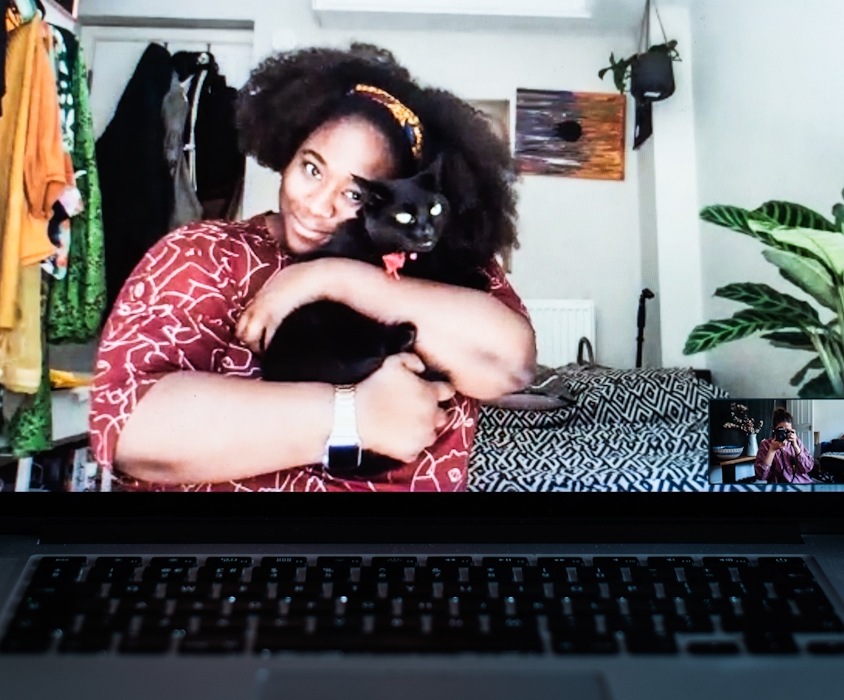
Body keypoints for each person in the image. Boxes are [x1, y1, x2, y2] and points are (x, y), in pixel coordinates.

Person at [89, 44, 535, 491]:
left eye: (355, 195)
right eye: (312, 168)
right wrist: (349, 415)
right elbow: (126, 429)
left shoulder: (442, 266)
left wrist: (329, 278)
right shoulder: (207, 253)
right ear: (289, 152)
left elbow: (509, 366)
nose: (318, 205)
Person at [753, 407, 814, 484]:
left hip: (802, 482)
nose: (784, 434)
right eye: (781, 430)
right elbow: (761, 476)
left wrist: (795, 446)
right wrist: (772, 450)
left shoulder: (796, 441)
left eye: (787, 431)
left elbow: (808, 468)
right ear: (774, 429)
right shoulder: (766, 444)